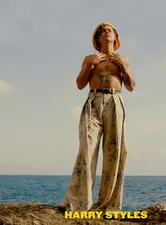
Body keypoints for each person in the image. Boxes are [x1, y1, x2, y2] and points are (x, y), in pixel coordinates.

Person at [59, 22, 135, 212]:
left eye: (109, 30)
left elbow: (131, 86)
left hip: (115, 101)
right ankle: (78, 202)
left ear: (115, 36)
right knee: (86, 149)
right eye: (102, 31)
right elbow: (79, 84)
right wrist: (90, 65)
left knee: (115, 153)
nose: (106, 32)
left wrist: (124, 67)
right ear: (98, 38)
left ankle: (108, 205)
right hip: (93, 100)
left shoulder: (123, 59)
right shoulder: (90, 58)